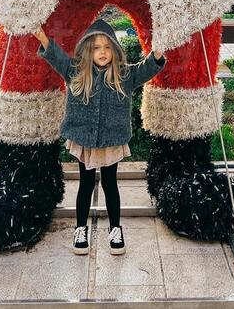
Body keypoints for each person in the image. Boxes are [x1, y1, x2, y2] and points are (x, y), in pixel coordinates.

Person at [35, 17, 165, 255]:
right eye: (96, 47)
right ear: (88, 50)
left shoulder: (125, 76)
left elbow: (147, 68)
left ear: (114, 49)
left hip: (111, 140)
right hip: (84, 139)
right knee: (85, 184)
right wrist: (42, 37)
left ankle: (115, 228)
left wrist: (157, 52)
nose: (102, 52)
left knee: (110, 184)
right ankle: (80, 228)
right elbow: (57, 57)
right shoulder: (75, 71)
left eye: (107, 47)